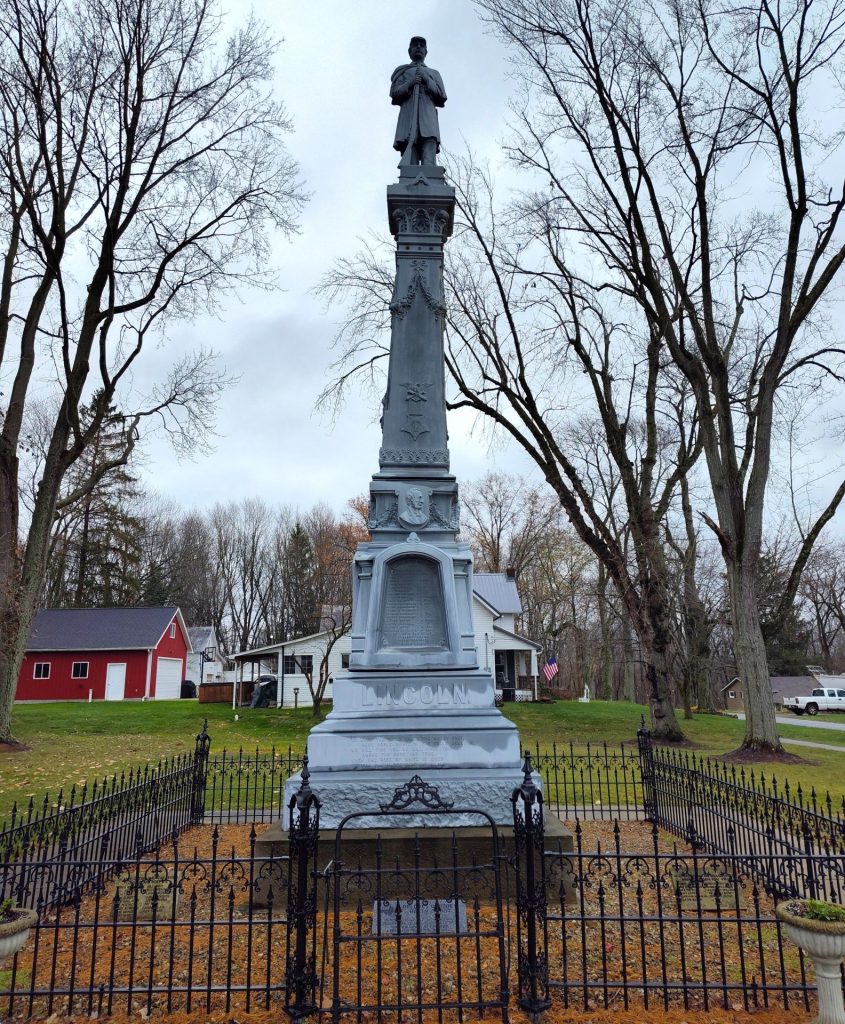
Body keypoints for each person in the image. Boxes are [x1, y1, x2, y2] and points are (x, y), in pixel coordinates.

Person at [391, 37, 446, 166]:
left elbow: (442, 95)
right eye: (415, 45)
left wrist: (426, 79)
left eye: (422, 45)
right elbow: (394, 94)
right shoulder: (402, 71)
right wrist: (410, 82)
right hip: (408, 121)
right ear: (409, 51)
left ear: (426, 51)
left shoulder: (434, 73)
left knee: (429, 164)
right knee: (410, 164)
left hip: (429, 121)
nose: (418, 47)